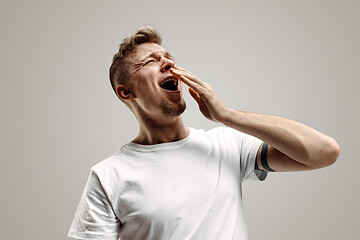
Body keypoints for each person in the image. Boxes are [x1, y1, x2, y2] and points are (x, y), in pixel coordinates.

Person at [68, 26, 340, 240]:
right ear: (126, 92)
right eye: (151, 61)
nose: (168, 64)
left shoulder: (227, 145)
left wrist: (227, 115)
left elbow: (324, 152)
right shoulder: (108, 176)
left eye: (168, 58)